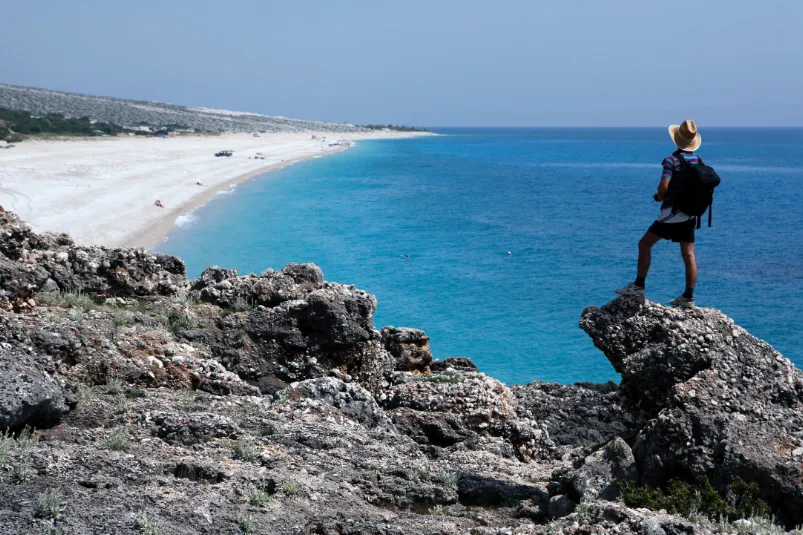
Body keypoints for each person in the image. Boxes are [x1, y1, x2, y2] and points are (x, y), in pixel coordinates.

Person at [616, 120, 703, 309]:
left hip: (672, 213)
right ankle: (688, 297)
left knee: (644, 243)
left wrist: (660, 196)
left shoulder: (671, 160)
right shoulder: (697, 160)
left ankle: (639, 285)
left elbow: (664, 186)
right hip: (690, 214)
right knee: (688, 254)